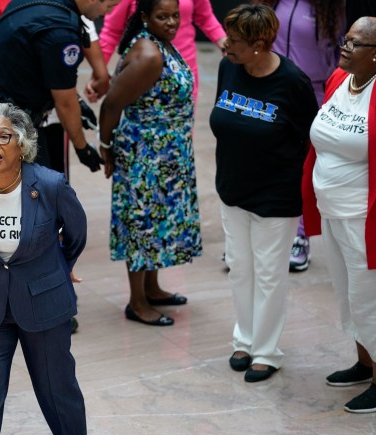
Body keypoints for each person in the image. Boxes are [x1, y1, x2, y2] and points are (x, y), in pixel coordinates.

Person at [0, 103, 89, 435]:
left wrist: (61, 265)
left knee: (58, 393)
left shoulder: (50, 185)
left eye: (3, 137)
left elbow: (76, 233)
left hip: (44, 303)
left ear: (23, 143)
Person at [302, 17, 376, 413]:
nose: (343, 47)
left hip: (370, 220)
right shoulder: (339, 80)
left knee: (375, 301)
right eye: (345, 39)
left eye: (354, 43)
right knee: (350, 296)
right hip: (334, 212)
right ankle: (365, 364)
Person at [211, 4, 318, 382]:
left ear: (259, 45)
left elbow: (311, 137)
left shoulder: (293, 83)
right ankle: (244, 339)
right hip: (232, 189)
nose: (226, 46)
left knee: (270, 273)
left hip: (276, 196)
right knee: (241, 269)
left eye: (235, 42)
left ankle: (267, 351)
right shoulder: (229, 68)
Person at [98, 0, 202, 327]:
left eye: (175, 15)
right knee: (143, 225)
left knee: (157, 223)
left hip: (166, 152)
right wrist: (106, 146)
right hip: (148, 155)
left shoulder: (160, 44)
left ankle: (153, 288)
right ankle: (137, 302)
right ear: (145, 17)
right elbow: (112, 103)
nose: (171, 22)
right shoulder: (149, 56)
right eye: (162, 16)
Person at [0, 0, 122, 173]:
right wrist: (82, 148)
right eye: (109, 6)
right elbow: (65, 103)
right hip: (8, 123)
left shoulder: (51, 8)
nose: (107, 13)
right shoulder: (60, 31)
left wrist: (76, 101)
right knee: (33, 192)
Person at [257, 0, 346, 273]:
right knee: (267, 164)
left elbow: (341, 55)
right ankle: (262, 236)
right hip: (271, 88)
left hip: (313, 93)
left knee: (304, 168)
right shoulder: (273, 3)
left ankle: (300, 237)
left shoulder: (332, 9)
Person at [98, 0, 226, 104]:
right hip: (139, 70)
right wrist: (98, 74)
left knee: (181, 124)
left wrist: (226, 45)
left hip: (182, 71)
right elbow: (111, 32)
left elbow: (206, 17)